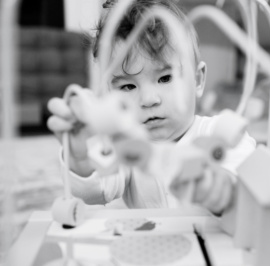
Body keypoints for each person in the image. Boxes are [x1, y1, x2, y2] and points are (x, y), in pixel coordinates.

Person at [47, 0, 256, 215]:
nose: (148, 99)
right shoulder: (125, 146)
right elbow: (95, 192)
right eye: (128, 86)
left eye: (165, 78)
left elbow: (246, 189)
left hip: (213, 246)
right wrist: (80, 157)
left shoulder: (219, 134)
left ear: (198, 80)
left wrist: (215, 188)